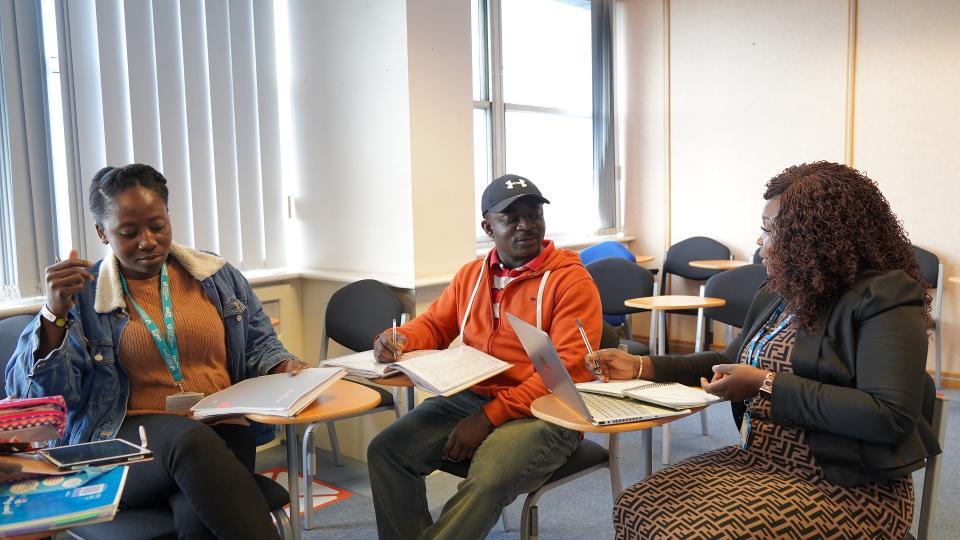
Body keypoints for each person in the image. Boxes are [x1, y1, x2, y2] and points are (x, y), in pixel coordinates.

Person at [590, 161, 941, 539]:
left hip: (848, 486)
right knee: (635, 506)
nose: (760, 241)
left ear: (812, 237)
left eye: (768, 230)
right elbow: (728, 363)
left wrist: (766, 383)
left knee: (683, 533)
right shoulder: (778, 292)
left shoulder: (884, 298)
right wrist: (642, 366)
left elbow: (887, 416)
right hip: (760, 459)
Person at [5, 164, 305, 540]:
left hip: (222, 431)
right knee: (190, 442)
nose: (147, 241)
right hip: (127, 447)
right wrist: (52, 317)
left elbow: (260, 345)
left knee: (194, 511)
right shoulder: (81, 295)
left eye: (157, 226)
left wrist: (283, 365)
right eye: (128, 233)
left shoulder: (215, 274)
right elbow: (45, 403)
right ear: (102, 232)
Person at [367, 174, 603, 539]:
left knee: (488, 477)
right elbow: (433, 325)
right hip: (473, 398)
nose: (527, 226)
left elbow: (568, 371)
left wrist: (489, 418)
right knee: (387, 451)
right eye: (511, 218)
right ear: (488, 227)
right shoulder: (472, 275)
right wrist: (398, 339)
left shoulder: (570, 280)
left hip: (546, 409)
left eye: (534, 214)